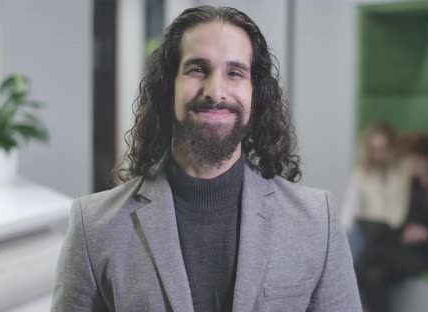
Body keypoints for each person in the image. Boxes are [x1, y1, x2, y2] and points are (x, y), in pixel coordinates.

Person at [52, 6, 361, 312]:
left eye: (235, 73)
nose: (215, 91)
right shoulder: (93, 226)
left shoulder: (317, 221)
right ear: (168, 87)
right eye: (197, 69)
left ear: (256, 92)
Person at [355, 134, 428, 312]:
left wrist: (427, 233)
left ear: (425, 160)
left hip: (426, 254)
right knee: (374, 275)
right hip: (408, 248)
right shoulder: (415, 187)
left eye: (414, 160)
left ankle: (349, 288)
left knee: (372, 254)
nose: (409, 165)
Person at [341, 122, 413, 263]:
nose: (379, 155)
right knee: (354, 238)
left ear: (392, 146)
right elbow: (349, 208)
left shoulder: (405, 168)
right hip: (372, 229)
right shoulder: (362, 172)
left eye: (383, 148)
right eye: (374, 150)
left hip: (396, 231)